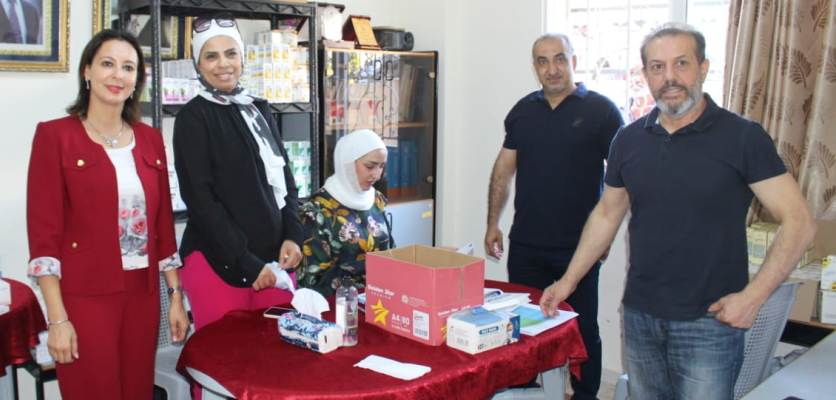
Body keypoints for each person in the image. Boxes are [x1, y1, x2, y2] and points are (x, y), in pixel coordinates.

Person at [540, 22, 816, 400]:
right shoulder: (628, 140)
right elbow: (607, 214)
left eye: (681, 63)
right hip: (640, 316)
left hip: (711, 323)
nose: (669, 77)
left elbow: (799, 221)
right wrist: (568, 281)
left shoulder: (742, 137)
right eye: (658, 67)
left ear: (703, 68)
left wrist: (753, 297)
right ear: (646, 75)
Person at [26, 29, 188, 399]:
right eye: (108, 64)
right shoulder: (55, 136)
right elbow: (44, 238)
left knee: (137, 391)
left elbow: (163, 228)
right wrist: (57, 319)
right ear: (87, 71)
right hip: (84, 297)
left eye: (128, 67)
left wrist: (176, 297)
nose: (118, 75)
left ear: (137, 81)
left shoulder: (149, 139)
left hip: (142, 296)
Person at [484, 33, 623, 399]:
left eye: (560, 58)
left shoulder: (603, 112)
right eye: (543, 61)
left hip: (578, 250)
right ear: (535, 67)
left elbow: (622, 181)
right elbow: (503, 171)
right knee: (524, 330)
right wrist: (492, 223)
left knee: (582, 329)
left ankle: (586, 395)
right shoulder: (522, 111)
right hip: (526, 246)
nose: (552, 69)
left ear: (573, 61)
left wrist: (605, 239)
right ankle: (525, 392)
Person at [173, 15, 303, 333]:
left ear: (242, 57)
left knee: (279, 352)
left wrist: (293, 236)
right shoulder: (193, 117)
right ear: (198, 64)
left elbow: (286, 182)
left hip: (274, 261)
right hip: (219, 263)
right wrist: (247, 262)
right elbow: (201, 202)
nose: (223, 64)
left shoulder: (259, 109)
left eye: (231, 53)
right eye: (211, 56)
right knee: (225, 358)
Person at [298, 129, 392, 296]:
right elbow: (312, 281)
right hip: (339, 303)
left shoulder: (376, 200)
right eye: (370, 166)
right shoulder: (317, 212)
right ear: (347, 163)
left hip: (380, 297)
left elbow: (391, 252)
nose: (377, 175)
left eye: (381, 166)